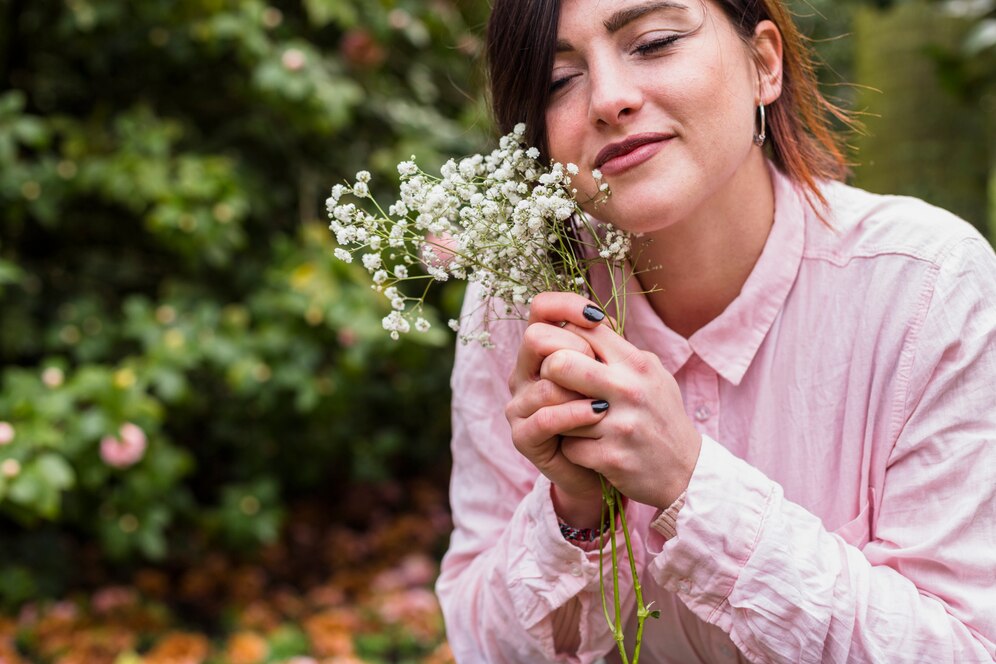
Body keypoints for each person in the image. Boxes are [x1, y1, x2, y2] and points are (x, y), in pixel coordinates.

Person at [435, 0, 996, 661]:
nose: (609, 100)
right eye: (560, 80)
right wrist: (573, 513)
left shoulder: (928, 287)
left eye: (654, 42)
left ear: (763, 63)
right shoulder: (521, 301)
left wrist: (690, 484)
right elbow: (478, 642)